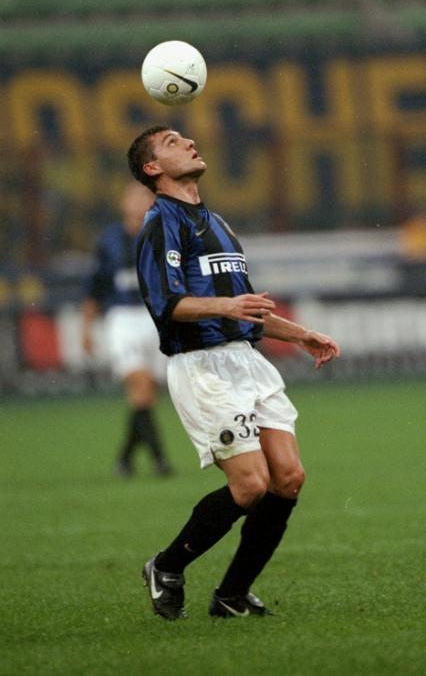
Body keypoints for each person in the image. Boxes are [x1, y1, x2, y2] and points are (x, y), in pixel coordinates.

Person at [127, 125, 340, 619]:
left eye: (186, 137)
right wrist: (227, 303)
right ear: (152, 169)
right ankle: (166, 565)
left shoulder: (219, 223)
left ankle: (231, 594)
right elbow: (166, 303)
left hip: (246, 361)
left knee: (287, 478)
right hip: (202, 367)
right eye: (172, 142)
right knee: (250, 486)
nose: (188, 142)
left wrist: (301, 335)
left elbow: (247, 308)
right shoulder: (161, 223)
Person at [81, 181, 174, 477]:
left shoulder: (163, 236)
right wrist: (86, 328)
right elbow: (95, 288)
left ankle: (124, 458)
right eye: (134, 197)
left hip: (155, 317)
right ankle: (160, 460)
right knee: (141, 384)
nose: (139, 203)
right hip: (122, 319)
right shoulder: (108, 241)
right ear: (123, 203)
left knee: (146, 395)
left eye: (145, 197)